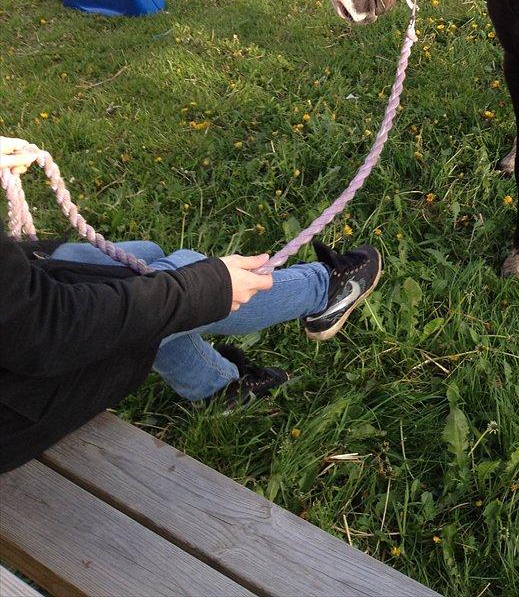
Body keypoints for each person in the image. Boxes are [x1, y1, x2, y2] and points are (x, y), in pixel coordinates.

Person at [0, 136, 381, 474]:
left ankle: (217, 390)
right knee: (173, 276)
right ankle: (325, 290)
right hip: (19, 401)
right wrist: (202, 289)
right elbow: (50, 331)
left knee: (145, 258)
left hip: (19, 339)